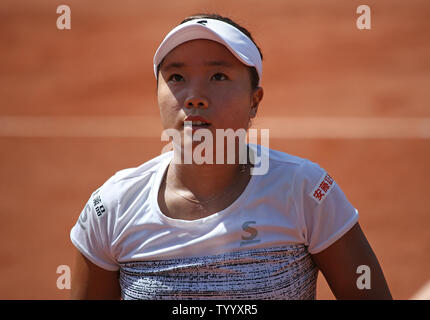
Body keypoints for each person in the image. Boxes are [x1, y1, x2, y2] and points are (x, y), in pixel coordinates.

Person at [70, 13, 392, 300]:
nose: (194, 97)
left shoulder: (307, 191)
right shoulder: (111, 208)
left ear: (255, 101)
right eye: (176, 77)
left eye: (218, 76)